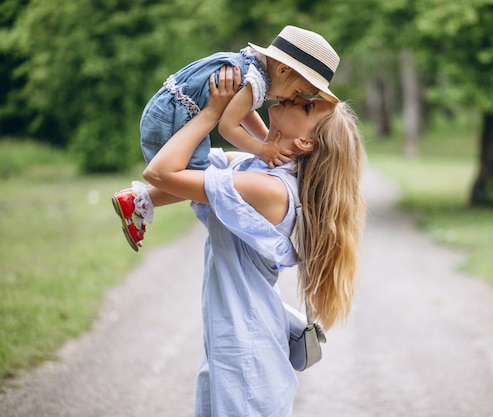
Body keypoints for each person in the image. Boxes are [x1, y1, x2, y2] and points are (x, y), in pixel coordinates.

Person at [143, 65, 366, 416]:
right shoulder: (260, 169)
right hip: (232, 343)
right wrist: (138, 201)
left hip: (246, 354)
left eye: (305, 105)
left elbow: (160, 172)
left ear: (305, 142)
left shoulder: (270, 191)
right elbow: (191, 175)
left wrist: (213, 113)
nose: (295, 97)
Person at [112, 25, 340, 251]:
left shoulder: (253, 68)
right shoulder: (257, 82)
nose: (293, 98)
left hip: (166, 111)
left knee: (194, 177)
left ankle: (137, 202)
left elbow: (244, 113)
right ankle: (138, 202)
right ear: (282, 71)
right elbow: (228, 128)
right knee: (191, 176)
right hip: (173, 117)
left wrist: (265, 144)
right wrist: (262, 150)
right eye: (298, 92)